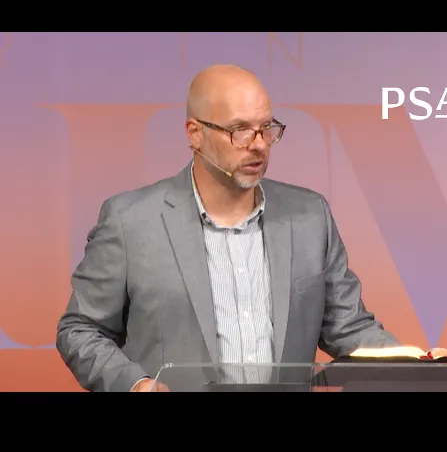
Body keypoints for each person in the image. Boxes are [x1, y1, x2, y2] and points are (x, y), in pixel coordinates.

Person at [56, 64, 401, 392]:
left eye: (266, 128)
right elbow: (80, 329)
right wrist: (136, 384)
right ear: (195, 133)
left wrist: (420, 364)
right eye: (240, 130)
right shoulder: (130, 221)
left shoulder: (310, 217)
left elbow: (350, 328)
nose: (259, 143)